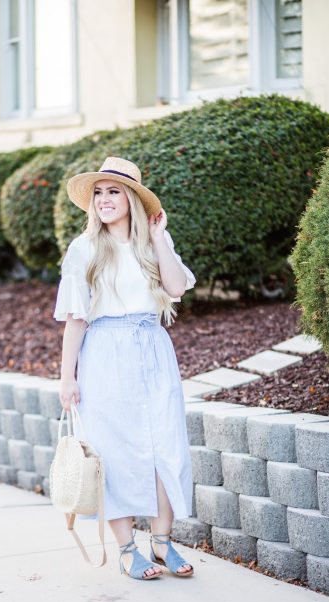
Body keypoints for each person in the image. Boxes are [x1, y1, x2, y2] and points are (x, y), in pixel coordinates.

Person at [53, 156, 196, 580]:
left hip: (152, 348)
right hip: (104, 353)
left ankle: (162, 543)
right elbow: (76, 317)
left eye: (114, 191)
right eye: (98, 192)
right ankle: (127, 548)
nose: (104, 200)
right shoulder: (84, 249)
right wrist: (67, 376)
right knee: (112, 452)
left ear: (132, 198)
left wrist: (159, 237)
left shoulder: (154, 242)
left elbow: (174, 288)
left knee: (163, 445)